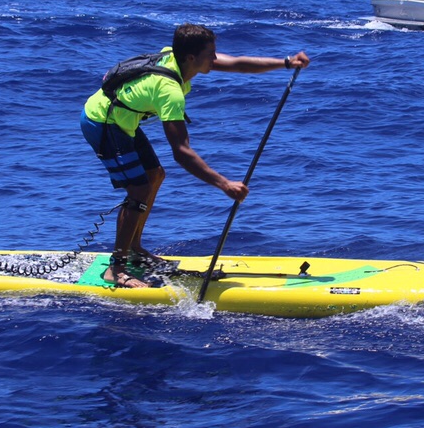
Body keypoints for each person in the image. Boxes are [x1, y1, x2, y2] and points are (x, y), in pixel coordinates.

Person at [81, 23, 311, 288]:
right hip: (102, 122)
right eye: (210, 54)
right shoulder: (169, 91)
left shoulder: (180, 58)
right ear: (191, 57)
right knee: (139, 190)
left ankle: (134, 248)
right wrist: (224, 184)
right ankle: (117, 268)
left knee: (155, 175)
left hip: (122, 120)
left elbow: (236, 64)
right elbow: (181, 152)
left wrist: (286, 62)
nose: (215, 59)